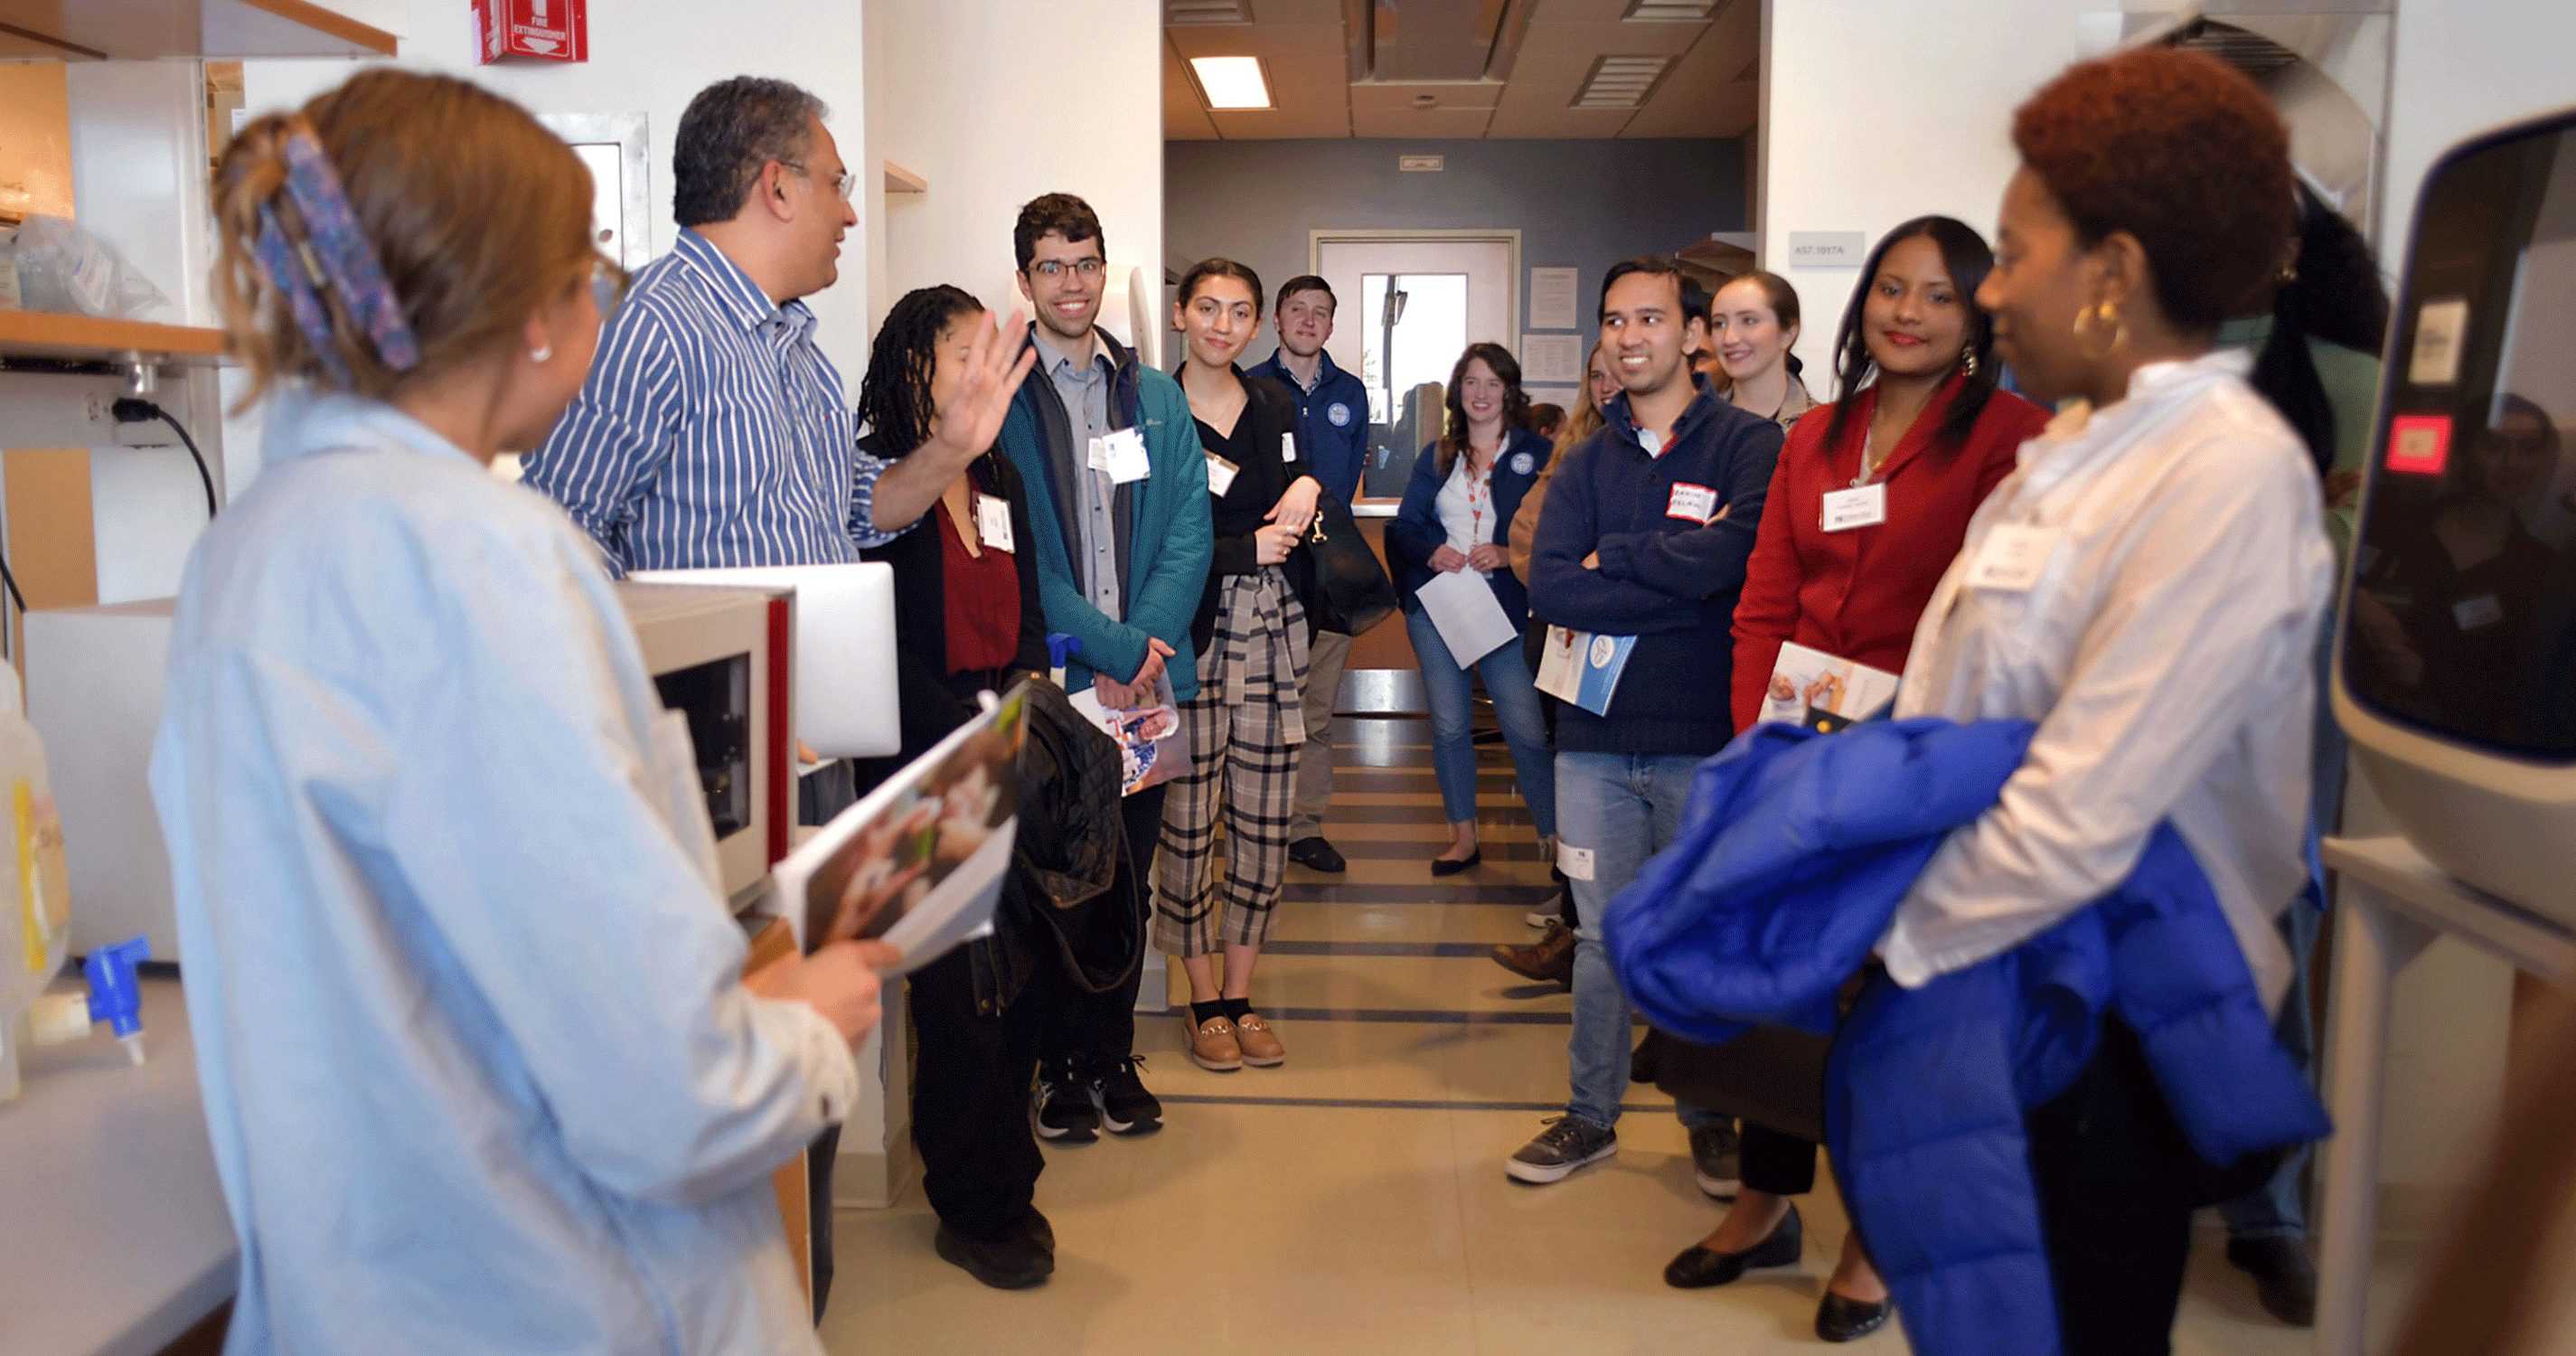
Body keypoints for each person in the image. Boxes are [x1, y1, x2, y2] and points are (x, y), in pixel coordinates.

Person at [152, 68, 987, 1352]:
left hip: (379, 1275)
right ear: (528, 311)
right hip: (557, 1292)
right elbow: (675, 1093)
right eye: (585, 269)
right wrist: (810, 1022)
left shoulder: (252, 546)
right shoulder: (483, 560)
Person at [518, 75, 1029, 1314]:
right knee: (722, 1113)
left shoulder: (794, 351)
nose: (852, 211)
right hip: (706, 800)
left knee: (797, 1084)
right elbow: (555, 529)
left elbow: (863, 514)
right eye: (839, 182)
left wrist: (950, 453)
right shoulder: (656, 327)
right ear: (776, 183)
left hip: (814, 779)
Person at [1885, 46, 2332, 1352]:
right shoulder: (2077, 443)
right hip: (2000, 982)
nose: (1991, 287)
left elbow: (2082, 811)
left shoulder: (2222, 476)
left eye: (2014, 251)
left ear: (2115, 276)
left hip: (2103, 1028)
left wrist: (1883, 944)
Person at [1670, 218, 2049, 1344]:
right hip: (1800, 749)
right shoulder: (1818, 436)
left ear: (1978, 314)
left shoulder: (2013, 437)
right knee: (1778, 985)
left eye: (1939, 295)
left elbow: (2003, 622)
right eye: (1892, 288)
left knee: (1898, 1008)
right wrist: (1756, 750)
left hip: (1924, 761)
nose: (1909, 312)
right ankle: (1764, 1202)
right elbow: (1767, 602)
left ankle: (1880, 1238)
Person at [1507, 258, 1785, 1185]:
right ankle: (1592, 1116)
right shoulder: (1585, 458)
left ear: (1693, 334)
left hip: (1703, 739)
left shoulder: (1746, 445)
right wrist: (1676, 589)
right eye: (1616, 321)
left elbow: (1736, 559)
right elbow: (1551, 586)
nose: (1632, 338)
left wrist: (1616, 562)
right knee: (1600, 939)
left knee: (1695, 934)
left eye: (1652, 319)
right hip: (1592, 743)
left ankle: (1711, 1115)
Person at [849, 285, 1058, 1289]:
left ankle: (1009, 1181)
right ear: (915, 366)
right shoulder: (873, 485)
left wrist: (1021, 706)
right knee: (956, 1006)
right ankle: (972, 1207)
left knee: (1013, 990)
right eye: (964, 353)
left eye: (992, 351)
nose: (984, 368)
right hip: (922, 775)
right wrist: (973, 738)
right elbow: (881, 651)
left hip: (1003, 754)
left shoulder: (999, 476)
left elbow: (1022, 615)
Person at [2211, 178, 2391, 1329]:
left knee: (2279, 926)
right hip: (2137, 656)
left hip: (2286, 673)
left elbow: (2347, 526)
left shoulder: (2346, 357)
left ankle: (2267, 1212)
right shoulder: (2138, 336)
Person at [996, 193, 1211, 1140]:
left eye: (1085, 263)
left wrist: (1150, 645)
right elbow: (1025, 562)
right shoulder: (1003, 399)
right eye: (1052, 266)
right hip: (1063, 687)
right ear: (1025, 281)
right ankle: (1057, 1069)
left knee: (1130, 871)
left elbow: (1189, 534)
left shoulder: (1155, 397)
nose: (1073, 283)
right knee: (1056, 883)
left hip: (1152, 690)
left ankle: (1110, 1055)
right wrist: (1114, 651)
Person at [1157, 258, 1321, 1072]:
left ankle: (1241, 992)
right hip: (1185, 634)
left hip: (1269, 629)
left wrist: (1312, 484)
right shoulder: (1147, 407)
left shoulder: (1271, 402)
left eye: (1240, 312)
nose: (1223, 325)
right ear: (1182, 314)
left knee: (1262, 821)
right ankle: (1200, 998)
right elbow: (1142, 540)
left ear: (1257, 326)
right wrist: (1241, 548)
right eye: (1209, 308)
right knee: (1187, 827)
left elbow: (1294, 483)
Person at [1383, 343, 1558, 874]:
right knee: (1452, 724)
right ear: (1458, 391)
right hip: (1439, 604)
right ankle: (1463, 836)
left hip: (1503, 607)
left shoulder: (1537, 452)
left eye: (1492, 383)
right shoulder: (1438, 454)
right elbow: (1405, 524)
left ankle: (1554, 837)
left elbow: (1556, 528)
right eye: (1471, 383)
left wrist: (1509, 554)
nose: (1481, 394)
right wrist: (1431, 550)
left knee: (1526, 727)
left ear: (1509, 390)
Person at [1247, 276, 1371, 878]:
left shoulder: (1351, 392)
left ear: (1331, 324)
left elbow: (1346, 483)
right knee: (1260, 709)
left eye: (1321, 312)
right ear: (1277, 318)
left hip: (1331, 573)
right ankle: (1252, 825)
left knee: (1316, 710)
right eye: (1298, 309)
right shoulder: (1249, 386)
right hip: (1265, 570)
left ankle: (1305, 828)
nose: (1309, 320)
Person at [1708, 270, 1817, 428]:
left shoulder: (1826, 428)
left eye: (1749, 321)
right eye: (1719, 324)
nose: (1729, 339)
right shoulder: (1697, 426)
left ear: (1788, 333)